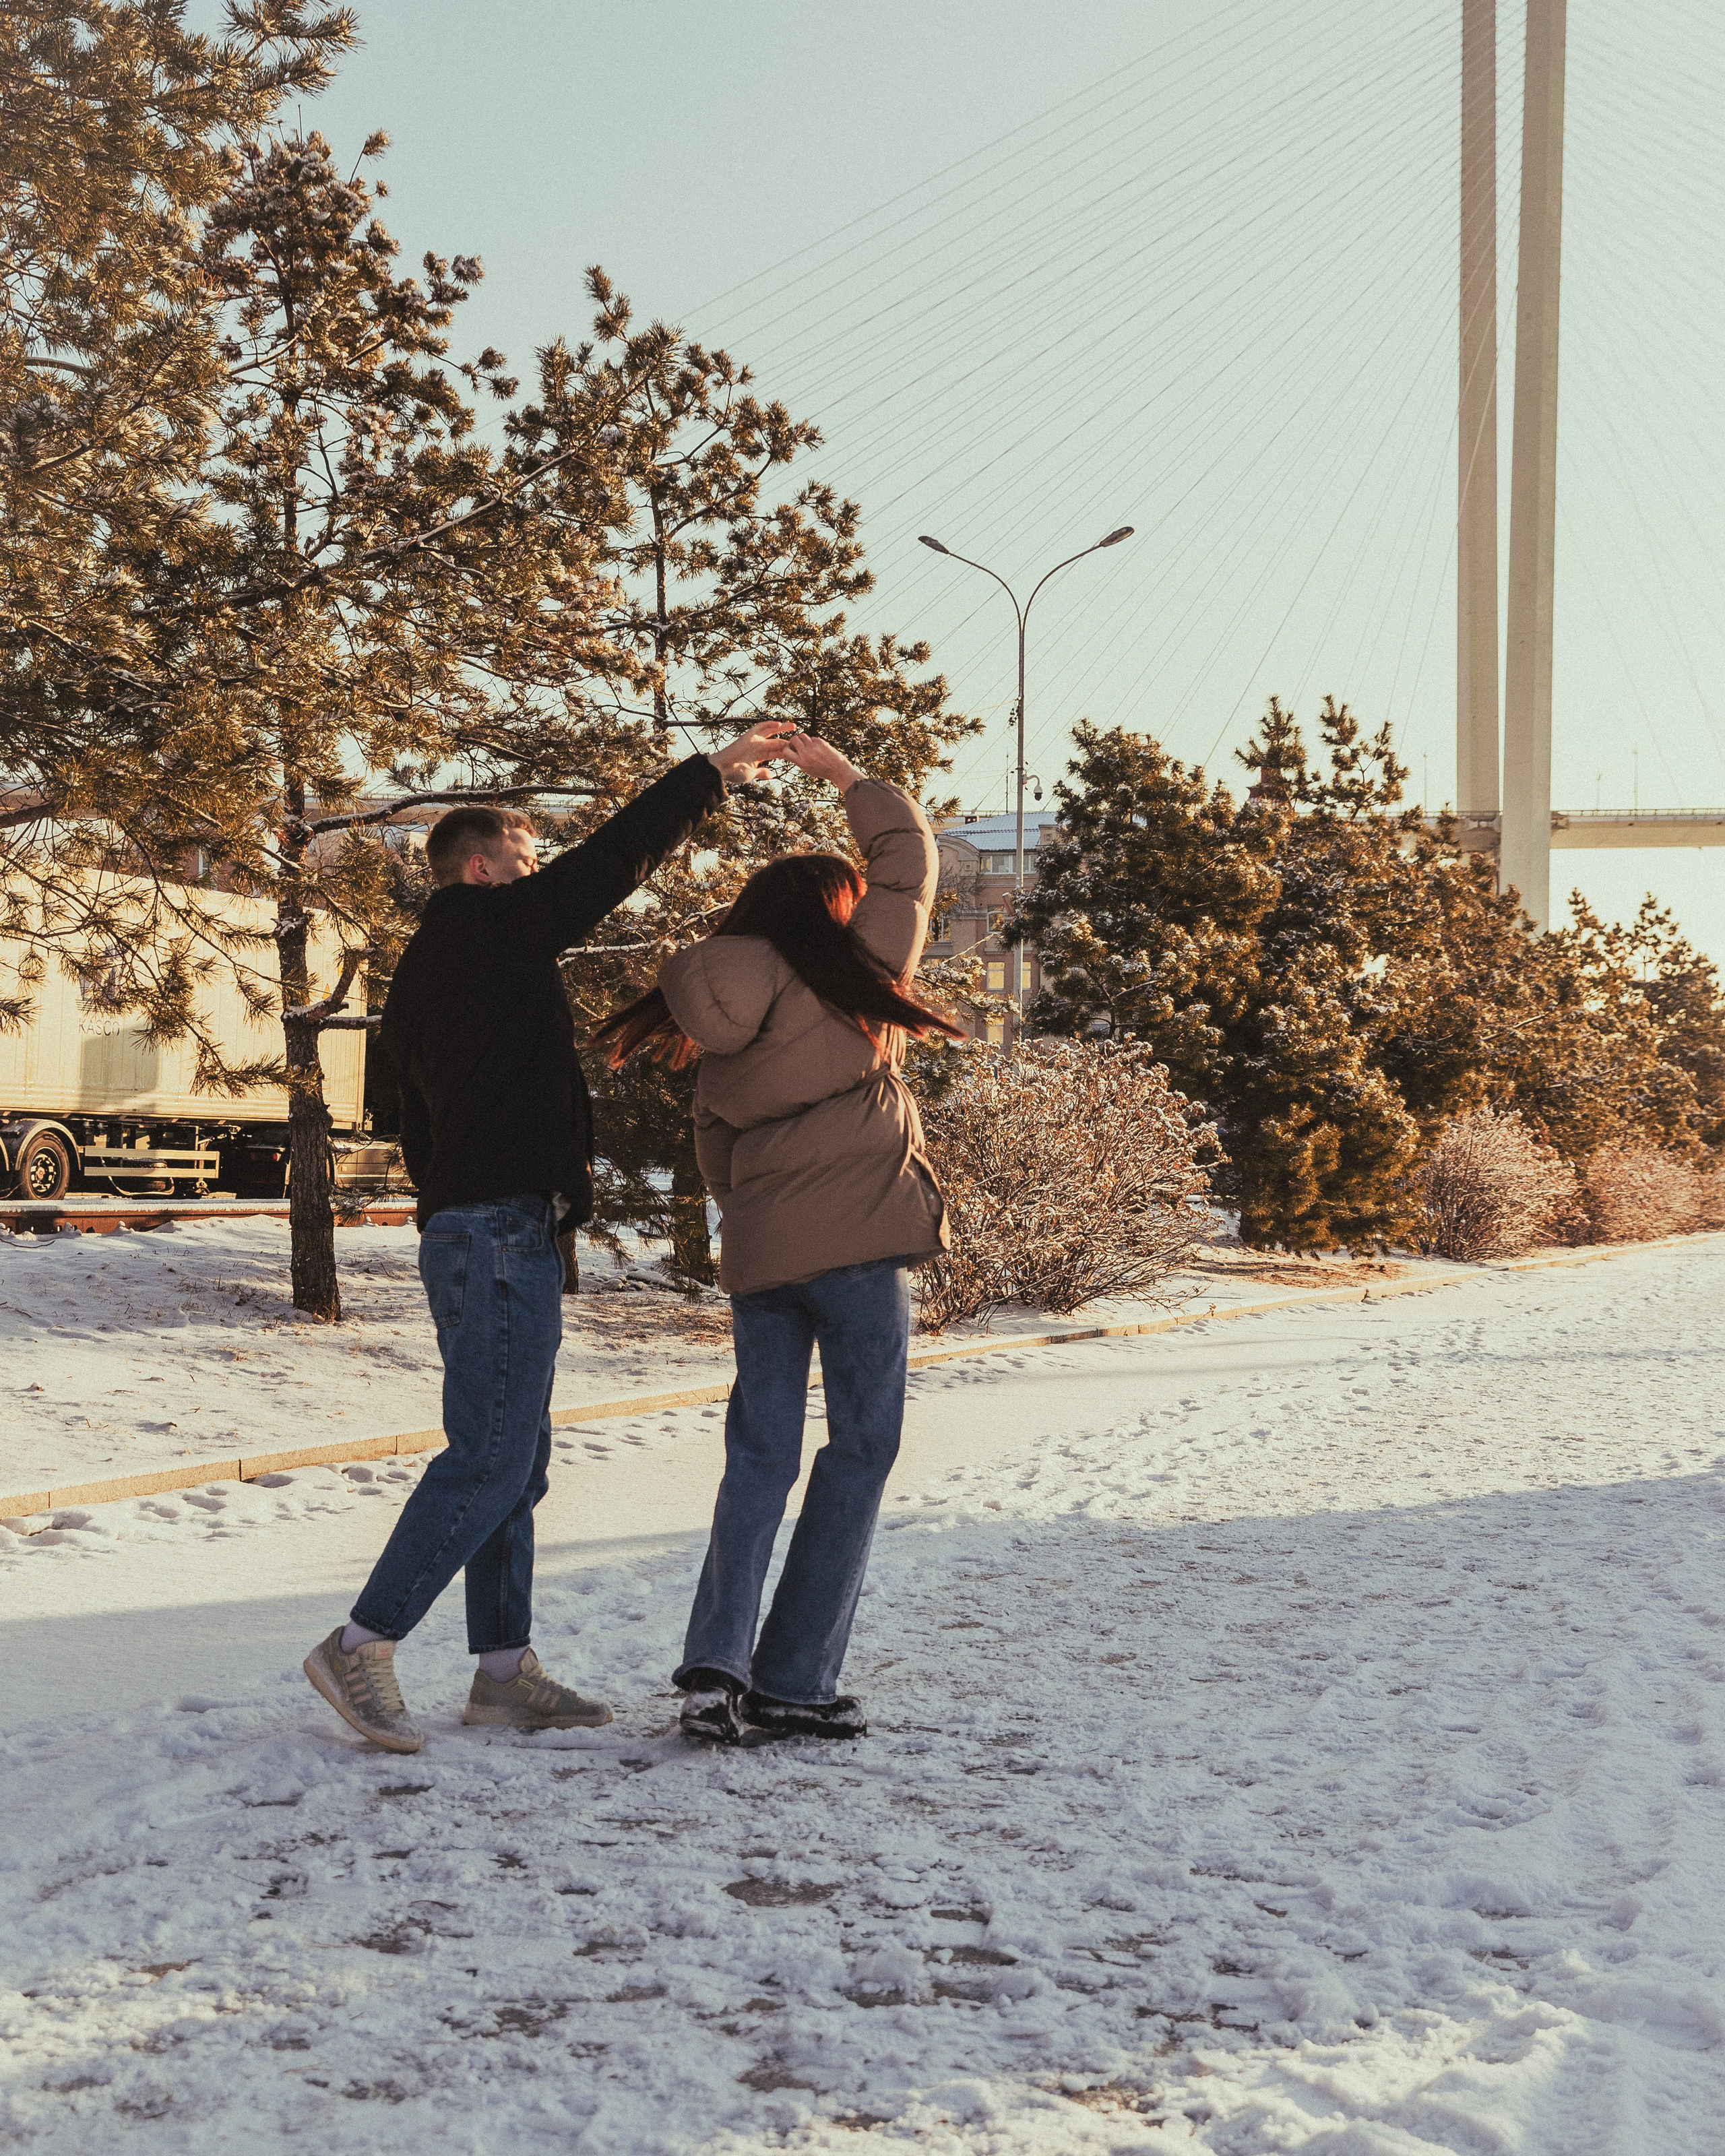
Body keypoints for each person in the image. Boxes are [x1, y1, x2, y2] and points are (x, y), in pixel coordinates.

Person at [303, 721, 797, 1755]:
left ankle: (500, 1672)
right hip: (495, 1234)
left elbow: (410, 1116)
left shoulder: (431, 968)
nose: (540, 879)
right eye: (527, 862)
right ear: (484, 870)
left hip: (476, 1228)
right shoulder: (487, 928)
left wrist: (473, 1196)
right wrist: (713, 773)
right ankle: (363, 1640)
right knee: (490, 1456)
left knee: (515, 1458)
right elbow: (616, 856)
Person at [591, 733, 964, 1745]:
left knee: (758, 1459)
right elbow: (910, 864)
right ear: (829, 915)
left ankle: (715, 1666)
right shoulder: (849, 976)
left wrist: (755, 1216)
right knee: (861, 1449)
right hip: (858, 1253)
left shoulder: (709, 1005)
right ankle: (794, 1678)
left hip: (761, 1260)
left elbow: (713, 1150)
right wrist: (845, 779)